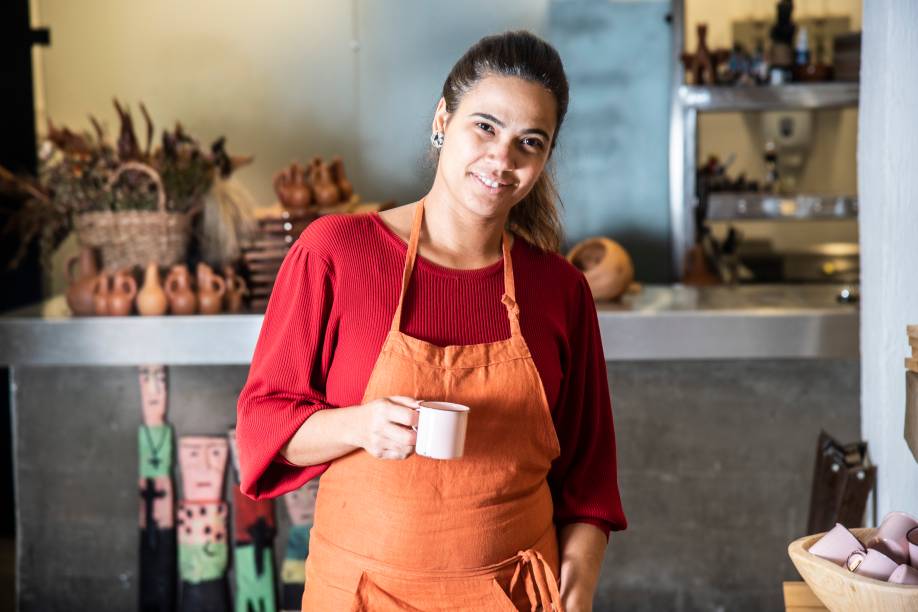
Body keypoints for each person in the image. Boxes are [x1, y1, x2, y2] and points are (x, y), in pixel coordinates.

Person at [237, 30, 626, 612]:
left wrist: (580, 581)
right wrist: (359, 426)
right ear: (444, 117)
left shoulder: (560, 289)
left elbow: (589, 479)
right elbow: (263, 427)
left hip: (512, 599)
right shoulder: (335, 252)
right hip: (361, 597)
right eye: (485, 127)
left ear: (545, 158)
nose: (502, 158)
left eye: (530, 142)